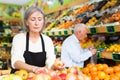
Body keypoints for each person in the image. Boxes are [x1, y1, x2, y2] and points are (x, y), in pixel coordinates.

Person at [11, 6, 56, 73]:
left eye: (40, 19)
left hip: (40, 77)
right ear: (26, 22)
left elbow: (50, 60)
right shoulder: (19, 39)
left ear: (43, 22)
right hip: (20, 77)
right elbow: (16, 62)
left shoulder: (47, 40)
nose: (36, 23)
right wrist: (34, 69)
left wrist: (55, 65)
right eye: (33, 19)